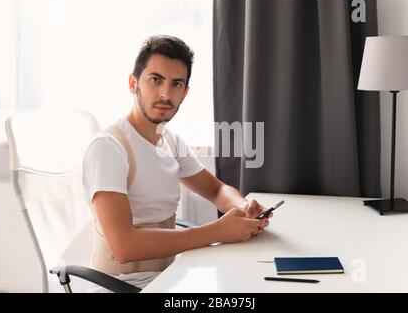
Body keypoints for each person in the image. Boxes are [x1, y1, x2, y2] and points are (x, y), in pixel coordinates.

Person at [82, 35, 271, 292]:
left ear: (185, 93)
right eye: (156, 80)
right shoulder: (109, 148)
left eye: (176, 84)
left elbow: (216, 190)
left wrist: (244, 206)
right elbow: (124, 246)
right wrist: (218, 231)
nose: (165, 93)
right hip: (120, 287)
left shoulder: (170, 142)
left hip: (168, 279)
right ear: (133, 83)